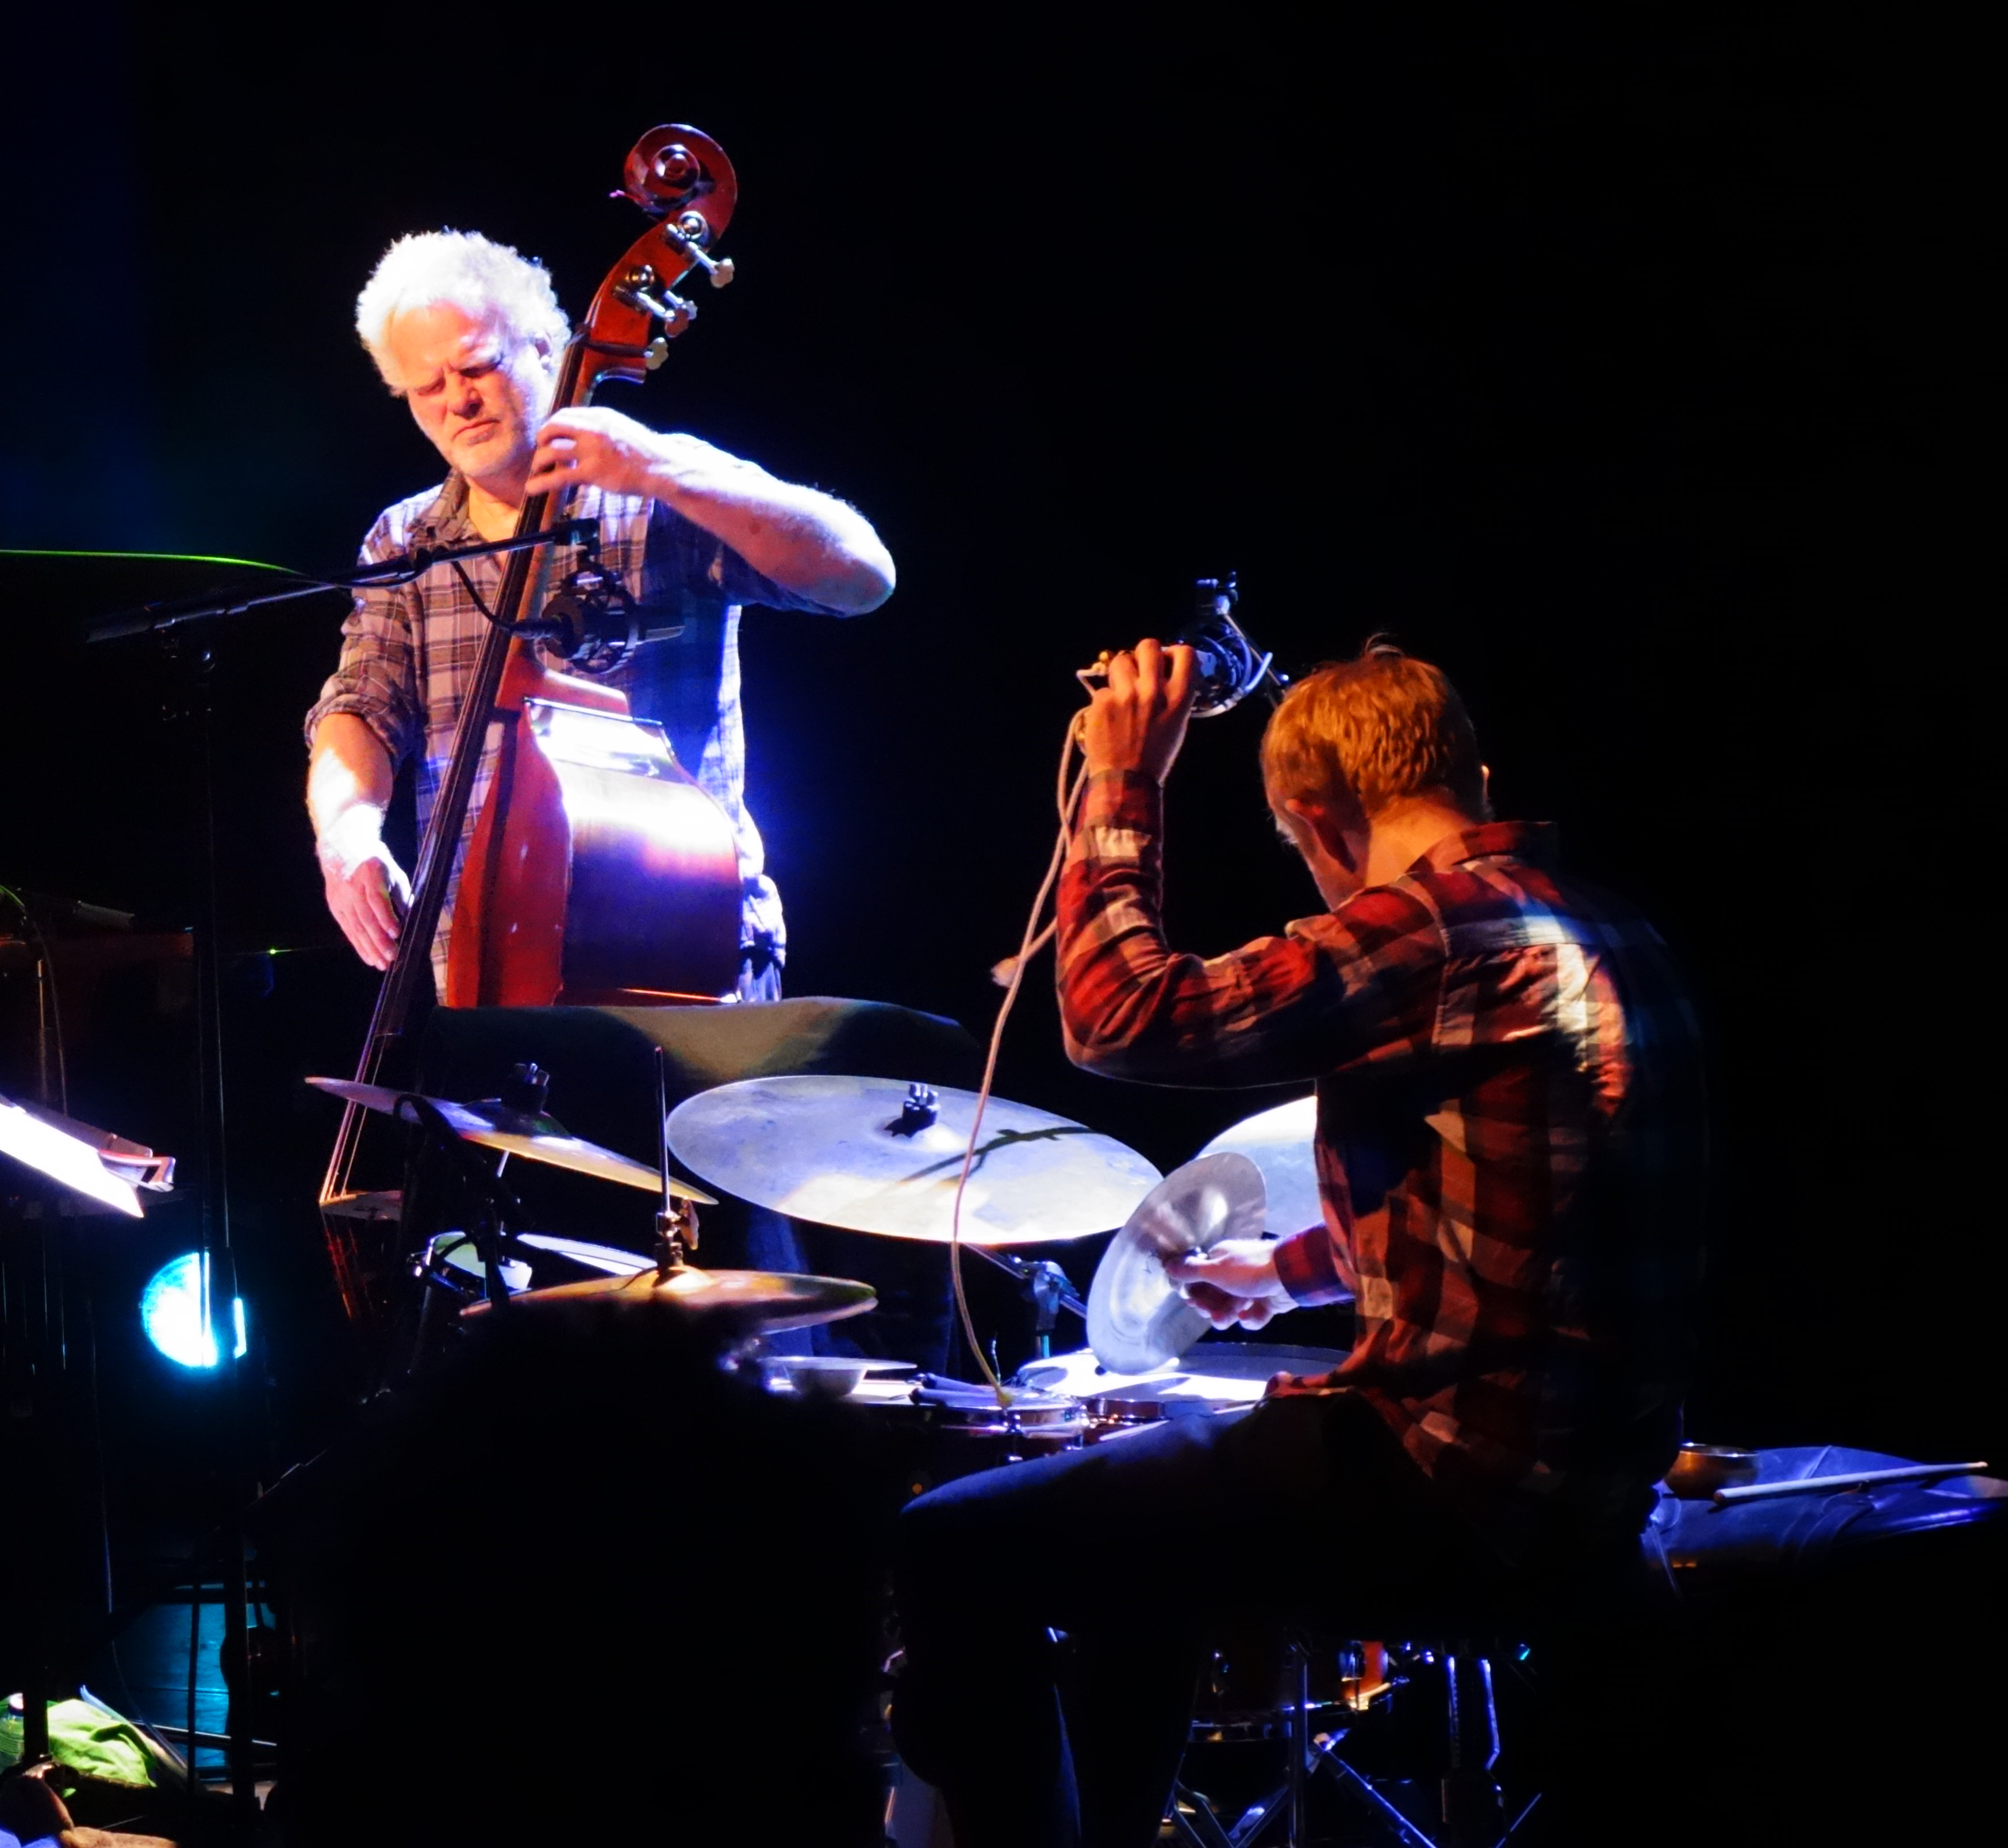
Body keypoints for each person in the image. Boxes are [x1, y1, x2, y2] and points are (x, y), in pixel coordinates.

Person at [892, 639, 1706, 1847]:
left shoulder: (1437, 929)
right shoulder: (1609, 926)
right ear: (1469, 770)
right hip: (1591, 1479)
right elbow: (1538, 1205)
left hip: (1457, 1489)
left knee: (947, 1543)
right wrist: (1289, 1271)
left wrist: (1126, 780)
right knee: (1149, 1545)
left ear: (1316, 817)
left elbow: (1121, 1020)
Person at [304, 229, 893, 1000]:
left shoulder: (659, 488)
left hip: (679, 948)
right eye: (428, 386)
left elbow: (860, 576)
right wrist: (346, 835)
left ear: (546, 348)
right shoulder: (404, 539)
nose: (459, 400)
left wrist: (664, 467)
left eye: (477, 365)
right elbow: (362, 708)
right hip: (486, 963)